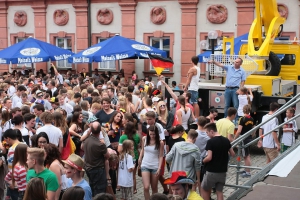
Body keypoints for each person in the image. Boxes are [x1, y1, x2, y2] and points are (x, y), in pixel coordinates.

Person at [201, 123, 235, 200]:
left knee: (204, 189)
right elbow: (233, 154)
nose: (207, 135)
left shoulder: (211, 142)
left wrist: (203, 160)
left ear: (212, 131)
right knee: (219, 191)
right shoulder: (226, 140)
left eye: (207, 132)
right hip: (222, 171)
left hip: (211, 171)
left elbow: (209, 157)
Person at [82, 121, 109, 196]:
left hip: (88, 168)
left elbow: (82, 147)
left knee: (92, 187)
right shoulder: (100, 144)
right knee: (99, 191)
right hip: (98, 169)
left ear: (90, 130)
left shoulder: (86, 140)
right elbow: (107, 156)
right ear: (100, 130)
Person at [138, 125, 164, 200]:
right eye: (151, 134)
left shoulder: (160, 142)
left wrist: (159, 168)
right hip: (145, 164)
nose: (152, 136)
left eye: (154, 134)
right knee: (146, 187)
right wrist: (140, 158)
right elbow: (143, 149)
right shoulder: (144, 139)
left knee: (154, 187)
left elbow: (161, 155)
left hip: (155, 165)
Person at [118, 121, 140, 194]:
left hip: (125, 157)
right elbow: (138, 146)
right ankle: (134, 189)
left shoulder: (123, 137)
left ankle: (124, 187)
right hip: (135, 156)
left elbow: (119, 149)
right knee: (133, 175)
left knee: (124, 173)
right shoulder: (137, 136)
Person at [234, 105, 254, 178]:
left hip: (243, 138)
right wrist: (252, 135)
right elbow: (253, 129)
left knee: (246, 156)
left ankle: (248, 172)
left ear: (243, 110)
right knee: (246, 155)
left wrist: (235, 139)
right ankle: (246, 170)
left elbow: (239, 131)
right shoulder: (251, 118)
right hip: (249, 137)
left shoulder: (242, 119)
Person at [194, 116, 210, 183]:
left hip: (195, 159)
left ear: (197, 123)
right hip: (205, 160)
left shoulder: (194, 134)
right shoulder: (208, 135)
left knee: (194, 181)